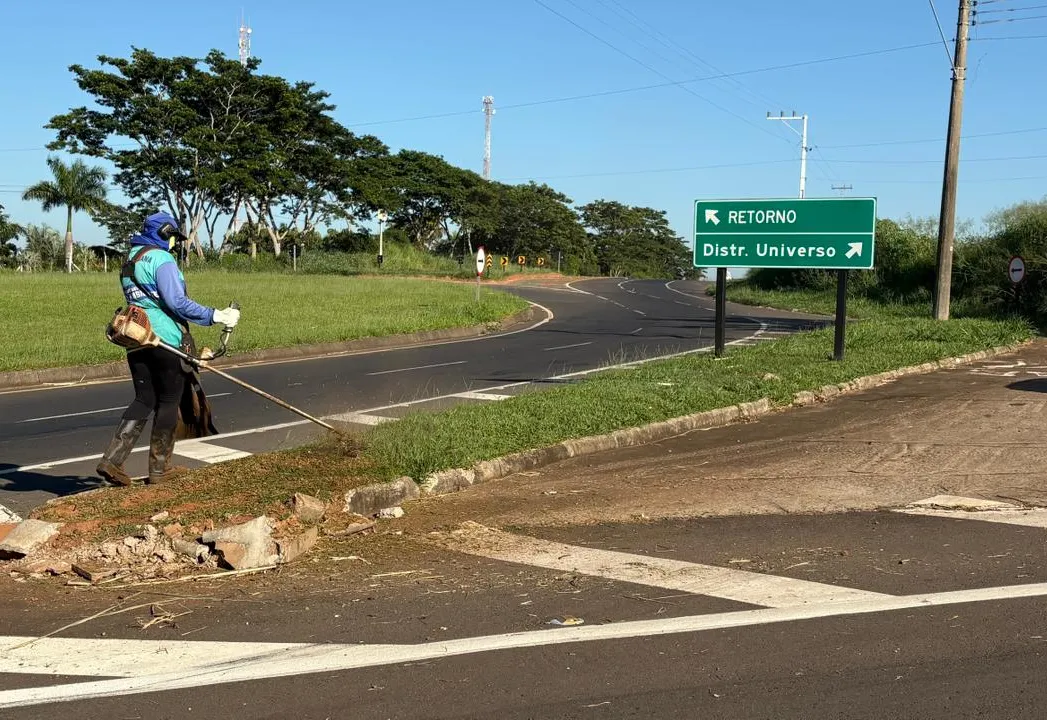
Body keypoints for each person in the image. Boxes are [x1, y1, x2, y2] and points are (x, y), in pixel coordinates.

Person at [96, 212, 240, 486]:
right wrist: (216, 315)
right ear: (164, 233)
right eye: (173, 237)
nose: (175, 243)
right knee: (168, 401)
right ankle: (160, 469)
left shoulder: (131, 258)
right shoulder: (161, 259)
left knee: (144, 399)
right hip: (165, 341)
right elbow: (177, 302)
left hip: (136, 338)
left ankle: (111, 461)